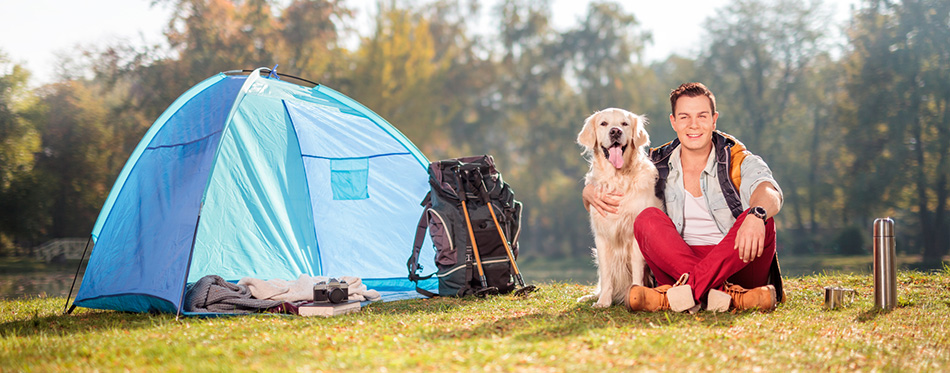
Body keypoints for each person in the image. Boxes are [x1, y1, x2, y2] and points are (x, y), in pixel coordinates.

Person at [582, 82, 784, 312]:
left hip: (734, 258)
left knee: (763, 220)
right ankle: (734, 298)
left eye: (702, 116)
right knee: (647, 218)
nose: (694, 125)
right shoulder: (655, 165)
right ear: (673, 122)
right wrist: (588, 191)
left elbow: (769, 191)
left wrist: (756, 215)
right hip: (677, 261)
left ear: (714, 119)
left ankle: (670, 298)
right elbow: (617, 194)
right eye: (685, 117)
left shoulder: (738, 157)